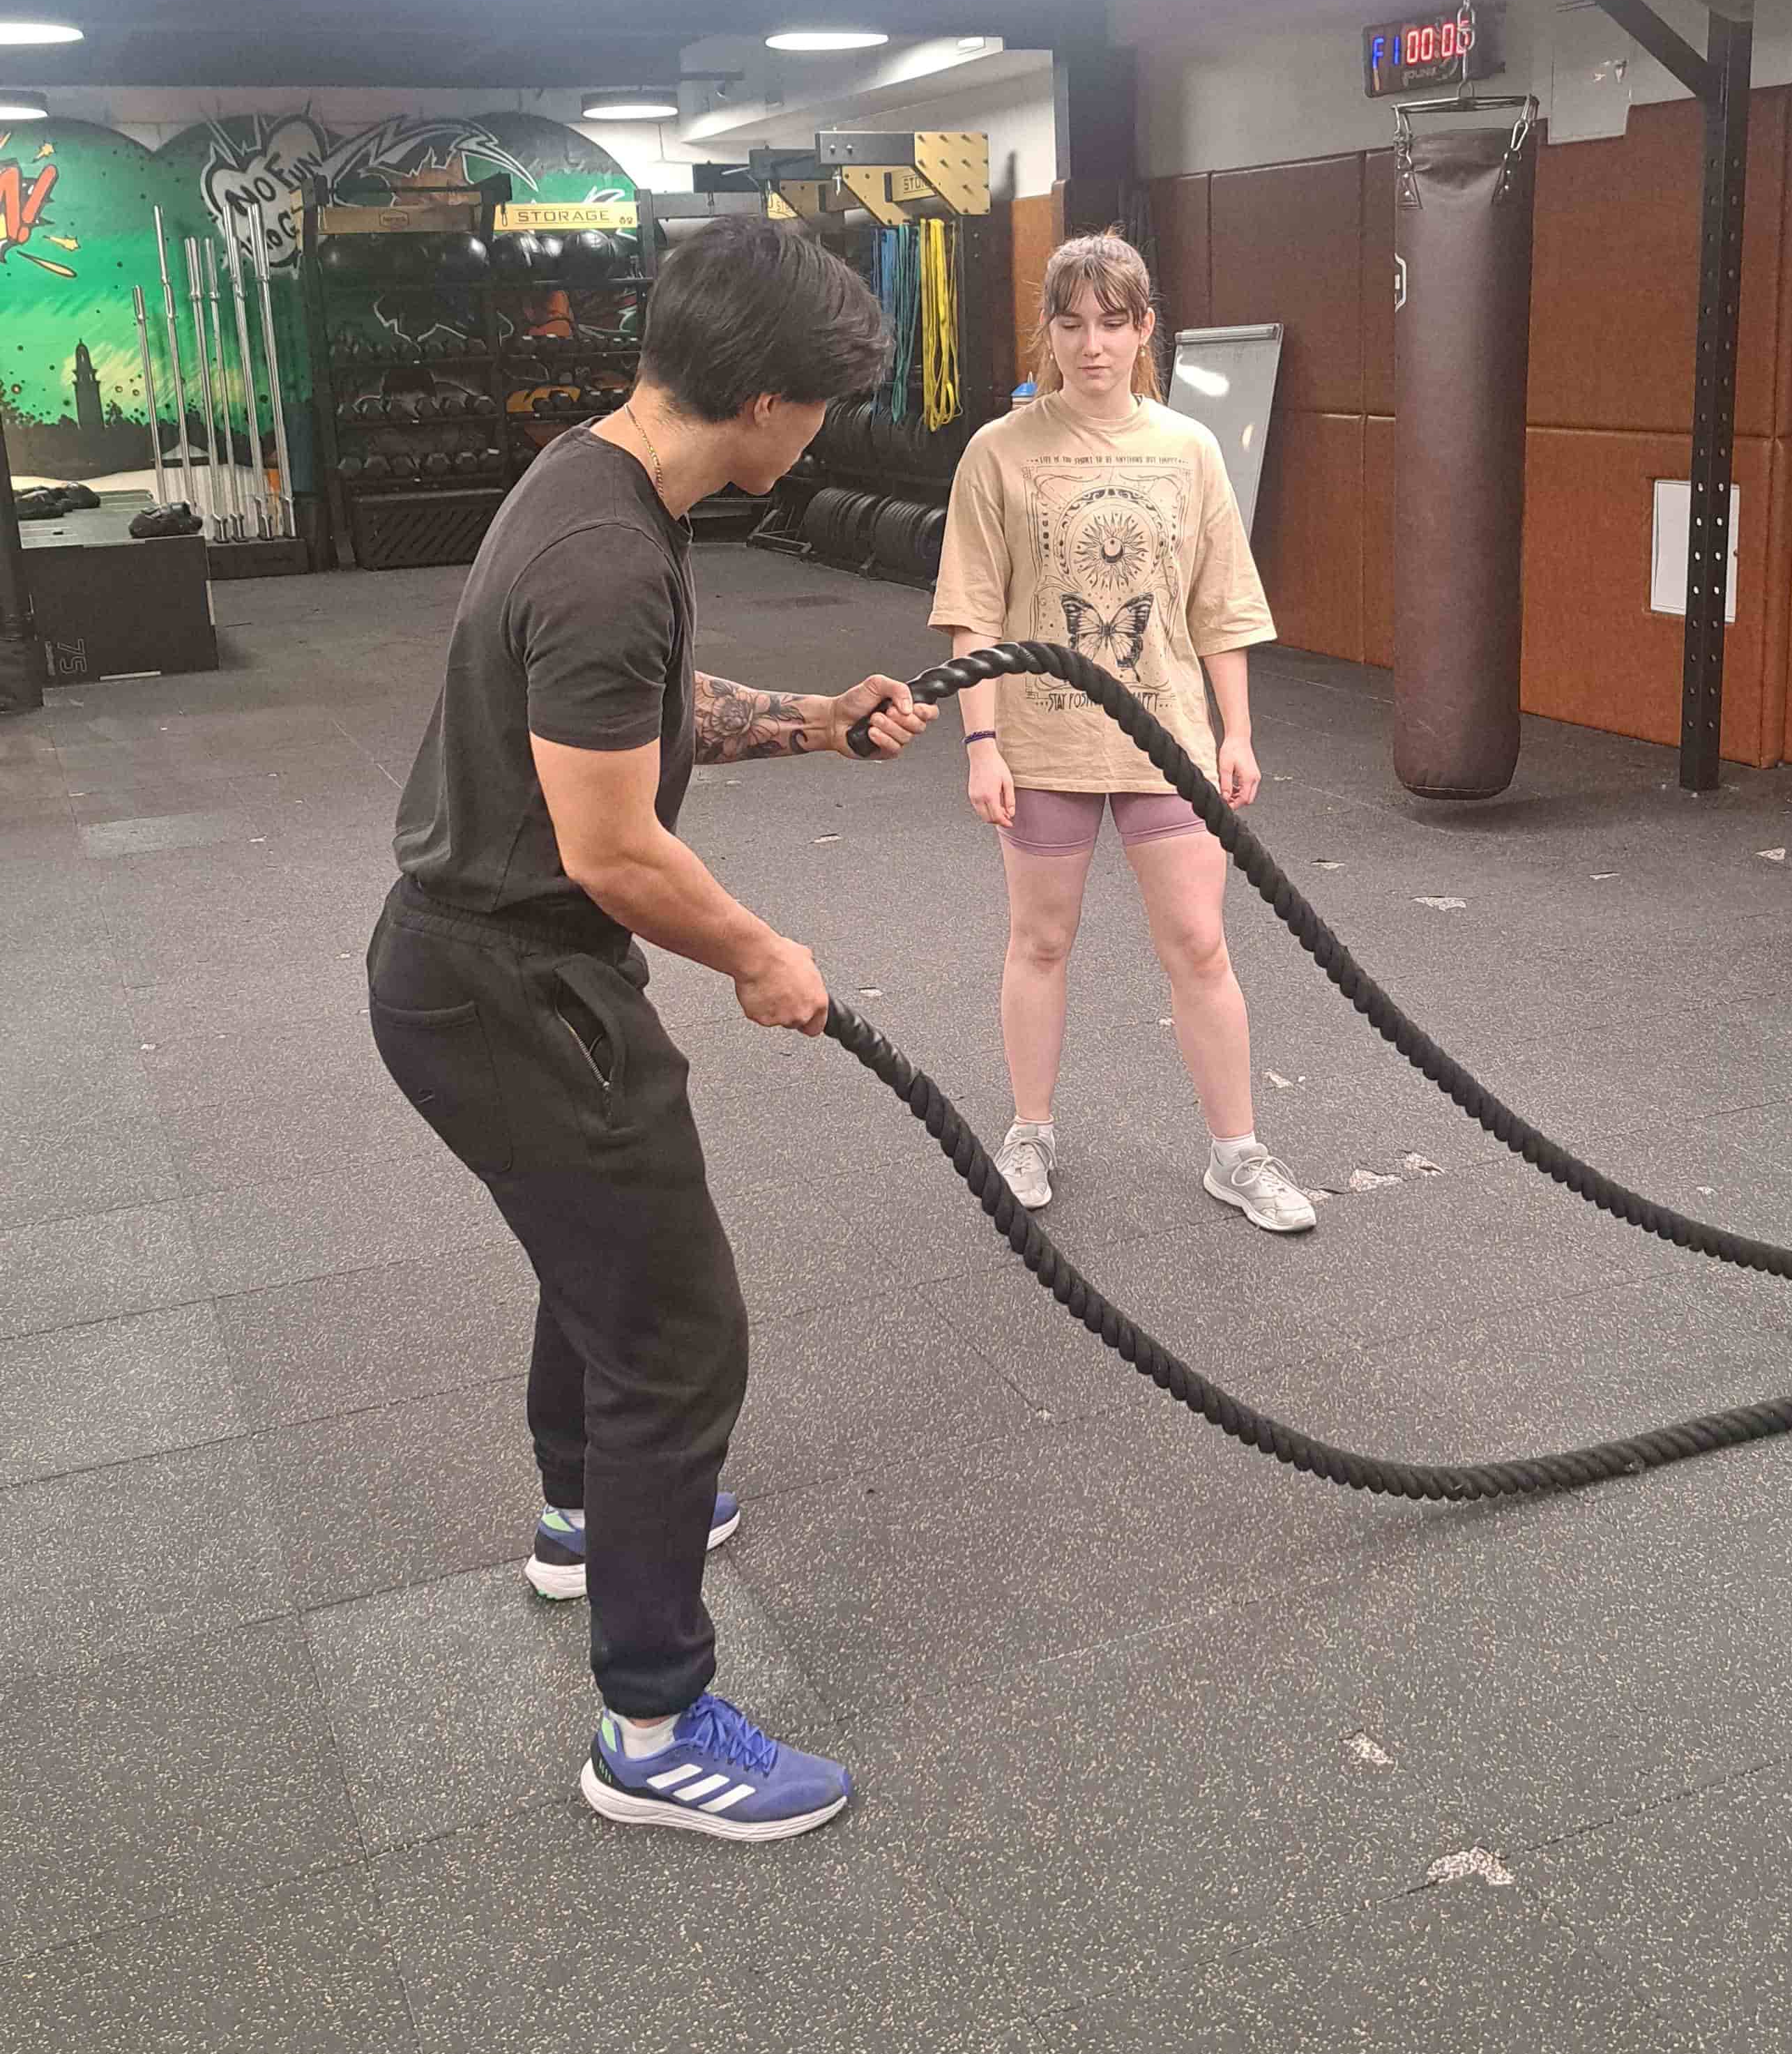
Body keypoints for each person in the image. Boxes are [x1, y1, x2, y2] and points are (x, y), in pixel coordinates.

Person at [368, 218, 934, 1844]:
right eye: (818, 405)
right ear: (762, 400)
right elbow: (614, 844)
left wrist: (814, 721)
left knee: (598, 1264)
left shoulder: (595, 476)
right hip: (511, 987)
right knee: (682, 1333)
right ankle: (655, 1724)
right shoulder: (612, 553)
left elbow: (629, 703)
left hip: (473, 969)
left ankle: (579, 1508)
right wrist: (764, 953)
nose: (823, 434)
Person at [929, 230, 1314, 1233]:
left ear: (1146, 330)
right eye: (1071, 323)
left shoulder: (1188, 451)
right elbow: (974, 609)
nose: (1091, 344)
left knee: (1199, 944)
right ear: (1047, 334)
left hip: (1168, 740)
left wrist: (1237, 732)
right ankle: (1030, 1130)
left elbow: (1220, 605)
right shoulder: (997, 452)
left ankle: (1238, 1153)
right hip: (1042, 740)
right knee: (1041, 939)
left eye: (1113, 323)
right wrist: (980, 744)